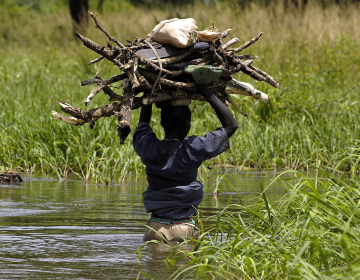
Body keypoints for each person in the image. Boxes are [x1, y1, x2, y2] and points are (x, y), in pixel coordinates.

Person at [133, 84, 238, 243]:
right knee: (185, 267)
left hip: (154, 229)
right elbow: (231, 125)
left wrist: (149, 92)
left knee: (154, 267)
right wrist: (205, 90)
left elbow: (143, 124)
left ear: (162, 124)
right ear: (186, 125)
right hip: (184, 228)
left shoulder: (149, 148)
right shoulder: (192, 148)